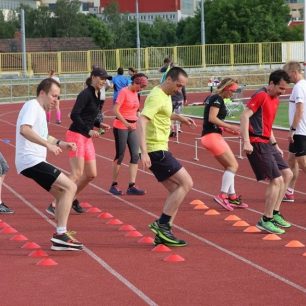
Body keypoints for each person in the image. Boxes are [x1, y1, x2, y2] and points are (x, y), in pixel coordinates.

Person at [15, 78, 83, 251]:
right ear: (42, 93)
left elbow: (45, 135)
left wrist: (61, 144)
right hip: (31, 160)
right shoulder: (32, 106)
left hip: (34, 161)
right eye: (54, 96)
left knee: (62, 194)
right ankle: (61, 234)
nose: (56, 100)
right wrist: (48, 146)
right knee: (70, 187)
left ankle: (60, 236)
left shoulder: (40, 111)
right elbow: (25, 130)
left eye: (58, 97)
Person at [138, 66, 196, 247]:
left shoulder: (165, 96)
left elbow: (163, 113)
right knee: (187, 183)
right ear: (169, 79)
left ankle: (163, 233)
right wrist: (144, 152)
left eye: (182, 87)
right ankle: (162, 224)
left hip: (159, 147)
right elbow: (142, 120)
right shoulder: (156, 96)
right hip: (156, 150)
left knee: (175, 190)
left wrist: (179, 118)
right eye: (178, 85)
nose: (179, 90)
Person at [46, 67, 111, 215]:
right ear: (93, 77)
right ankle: (55, 203)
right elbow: (74, 115)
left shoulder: (97, 94)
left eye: (105, 79)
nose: (103, 81)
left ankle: (71, 197)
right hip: (76, 134)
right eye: (101, 78)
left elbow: (88, 116)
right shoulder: (85, 94)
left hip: (86, 137)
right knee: (76, 173)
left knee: (91, 174)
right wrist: (88, 130)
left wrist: (99, 124)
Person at [240, 69, 293, 234]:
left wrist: (275, 144)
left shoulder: (275, 98)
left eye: (285, 89)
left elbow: (267, 124)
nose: (282, 92)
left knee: (288, 174)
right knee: (276, 180)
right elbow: (244, 116)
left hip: (267, 143)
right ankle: (266, 219)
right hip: (256, 143)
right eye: (281, 88)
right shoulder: (261, 95)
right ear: (271, 84)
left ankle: (275, 213)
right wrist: (246, 142)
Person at [201, 78, 247, 211]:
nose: (233, 94)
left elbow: (215, 122)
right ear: (226, 88)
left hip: (213, 135)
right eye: (232, 91)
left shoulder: (215, 98)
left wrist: (229, 130)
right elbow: (212, 118)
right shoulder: (217, 99)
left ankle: (232, 197)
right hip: (212, 137)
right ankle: (222, 195)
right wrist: (230, 125)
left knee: (229, 167)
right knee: (233, 165)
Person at [109, 73, 149, 196]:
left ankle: (131, 185)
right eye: (140, 86)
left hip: (133, 126)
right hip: (121, 126)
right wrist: (126, 123)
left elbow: (136, 110)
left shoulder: (136, 93)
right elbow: (115, 110)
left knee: (135, 155)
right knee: (120, 155)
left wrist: (140, 120)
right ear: (135, 83)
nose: (141, 89)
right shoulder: (123, 92)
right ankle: (114, 184)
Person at [282, 61, 306, 203]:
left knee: (302, 163)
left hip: (300, 130)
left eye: (287, 74)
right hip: (300, 129)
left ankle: (289, 191)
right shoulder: (302, 85)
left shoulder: (298, 87)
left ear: (293, 72)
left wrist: (292, 130)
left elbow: (299, 110)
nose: (286, 78)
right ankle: (289, 192)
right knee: (292, 160)